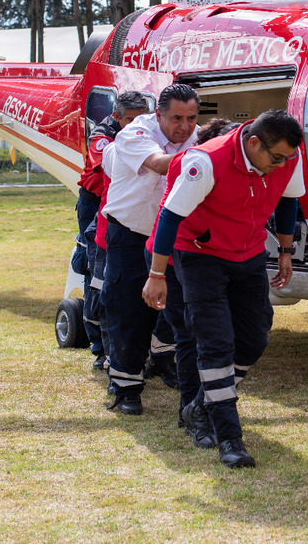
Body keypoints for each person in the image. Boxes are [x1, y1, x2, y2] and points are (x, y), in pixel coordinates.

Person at [144, 109, 305, 468]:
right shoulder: (207, 161)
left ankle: (199, 406)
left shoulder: (288, 157)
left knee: (254, 339)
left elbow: (288, 200)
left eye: (288, 158)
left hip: (247, 253)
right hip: (200, 256)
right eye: (275, 158)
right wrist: (156, 274)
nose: (281, 166)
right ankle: (230, 439)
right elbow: (170, 215)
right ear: (253, 143)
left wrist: (286, 250)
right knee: (214, 343)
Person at [102, 83, 199, 414]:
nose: (184, 127)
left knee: (178, 310)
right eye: (176, 118)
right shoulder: (134, 133)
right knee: (129, 310)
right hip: (130, 234)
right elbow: (160, 164)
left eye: (191, 118)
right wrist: (207, 159)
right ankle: (126, 386)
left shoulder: (198, 137)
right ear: (158, 115)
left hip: (173, 237)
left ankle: (162, 359)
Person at [145, 117, 242, 448]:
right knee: (189, 336)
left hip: (209, 260)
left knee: (219, 337)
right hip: (174, 258)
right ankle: (191, 413)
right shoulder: (194, 167)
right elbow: (180, 223)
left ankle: (204, 407)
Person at [75, 91, 150, 369]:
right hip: (95, 202)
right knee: (95, 270)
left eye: (141, 119)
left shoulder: (145, 134)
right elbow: (106, 163)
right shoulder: (104, 136)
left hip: (119, 203)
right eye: (129, 120)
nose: (135, 125)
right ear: (117, 117)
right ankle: (99, 346)